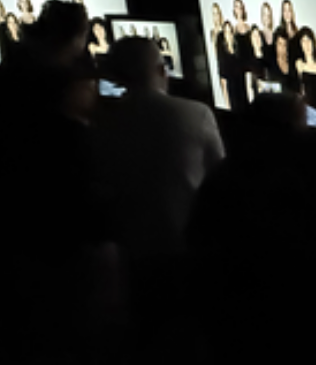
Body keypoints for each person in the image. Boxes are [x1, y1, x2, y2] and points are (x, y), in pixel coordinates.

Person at [93, 37, 225, 269]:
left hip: (129, 251)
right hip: (187, 247)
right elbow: (222, 179)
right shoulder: (197, 114)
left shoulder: (101, 121)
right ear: (162, 71)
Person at [218, 22, 249, 112]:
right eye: (226, 32)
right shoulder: (223, 55)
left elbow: (245, 70)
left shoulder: (239, 49)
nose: (229, 35)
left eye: (230, 32)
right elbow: (223, 80)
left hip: (242, 87)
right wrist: (227, 103)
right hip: (232, 89)